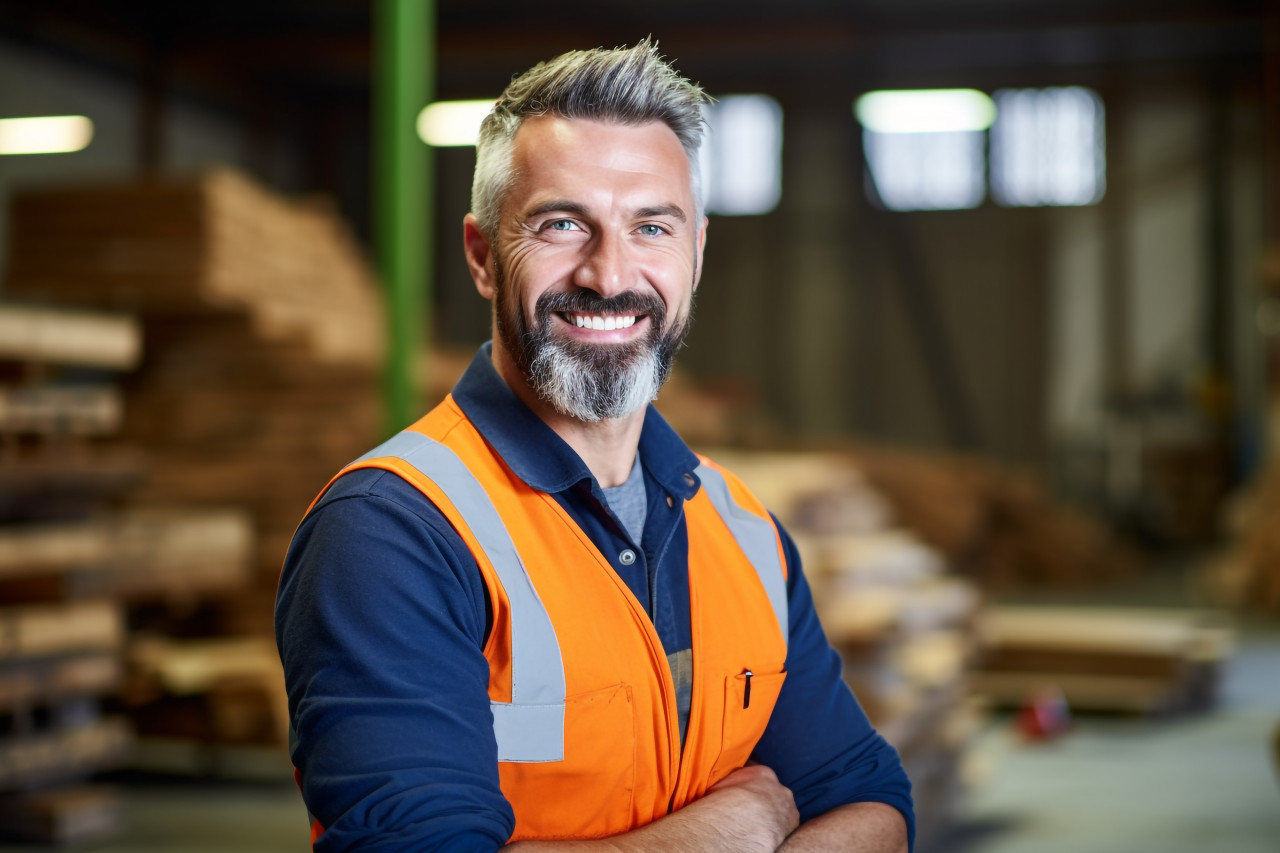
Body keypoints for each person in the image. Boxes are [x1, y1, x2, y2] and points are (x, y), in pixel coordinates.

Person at [276, 39, 914, 853]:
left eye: (651, 226)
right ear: (481, 255)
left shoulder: (746, 531)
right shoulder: (392, 533)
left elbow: (873, 806)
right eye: (562, 223)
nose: (609, 273)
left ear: (696, 253)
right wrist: (729, 829)